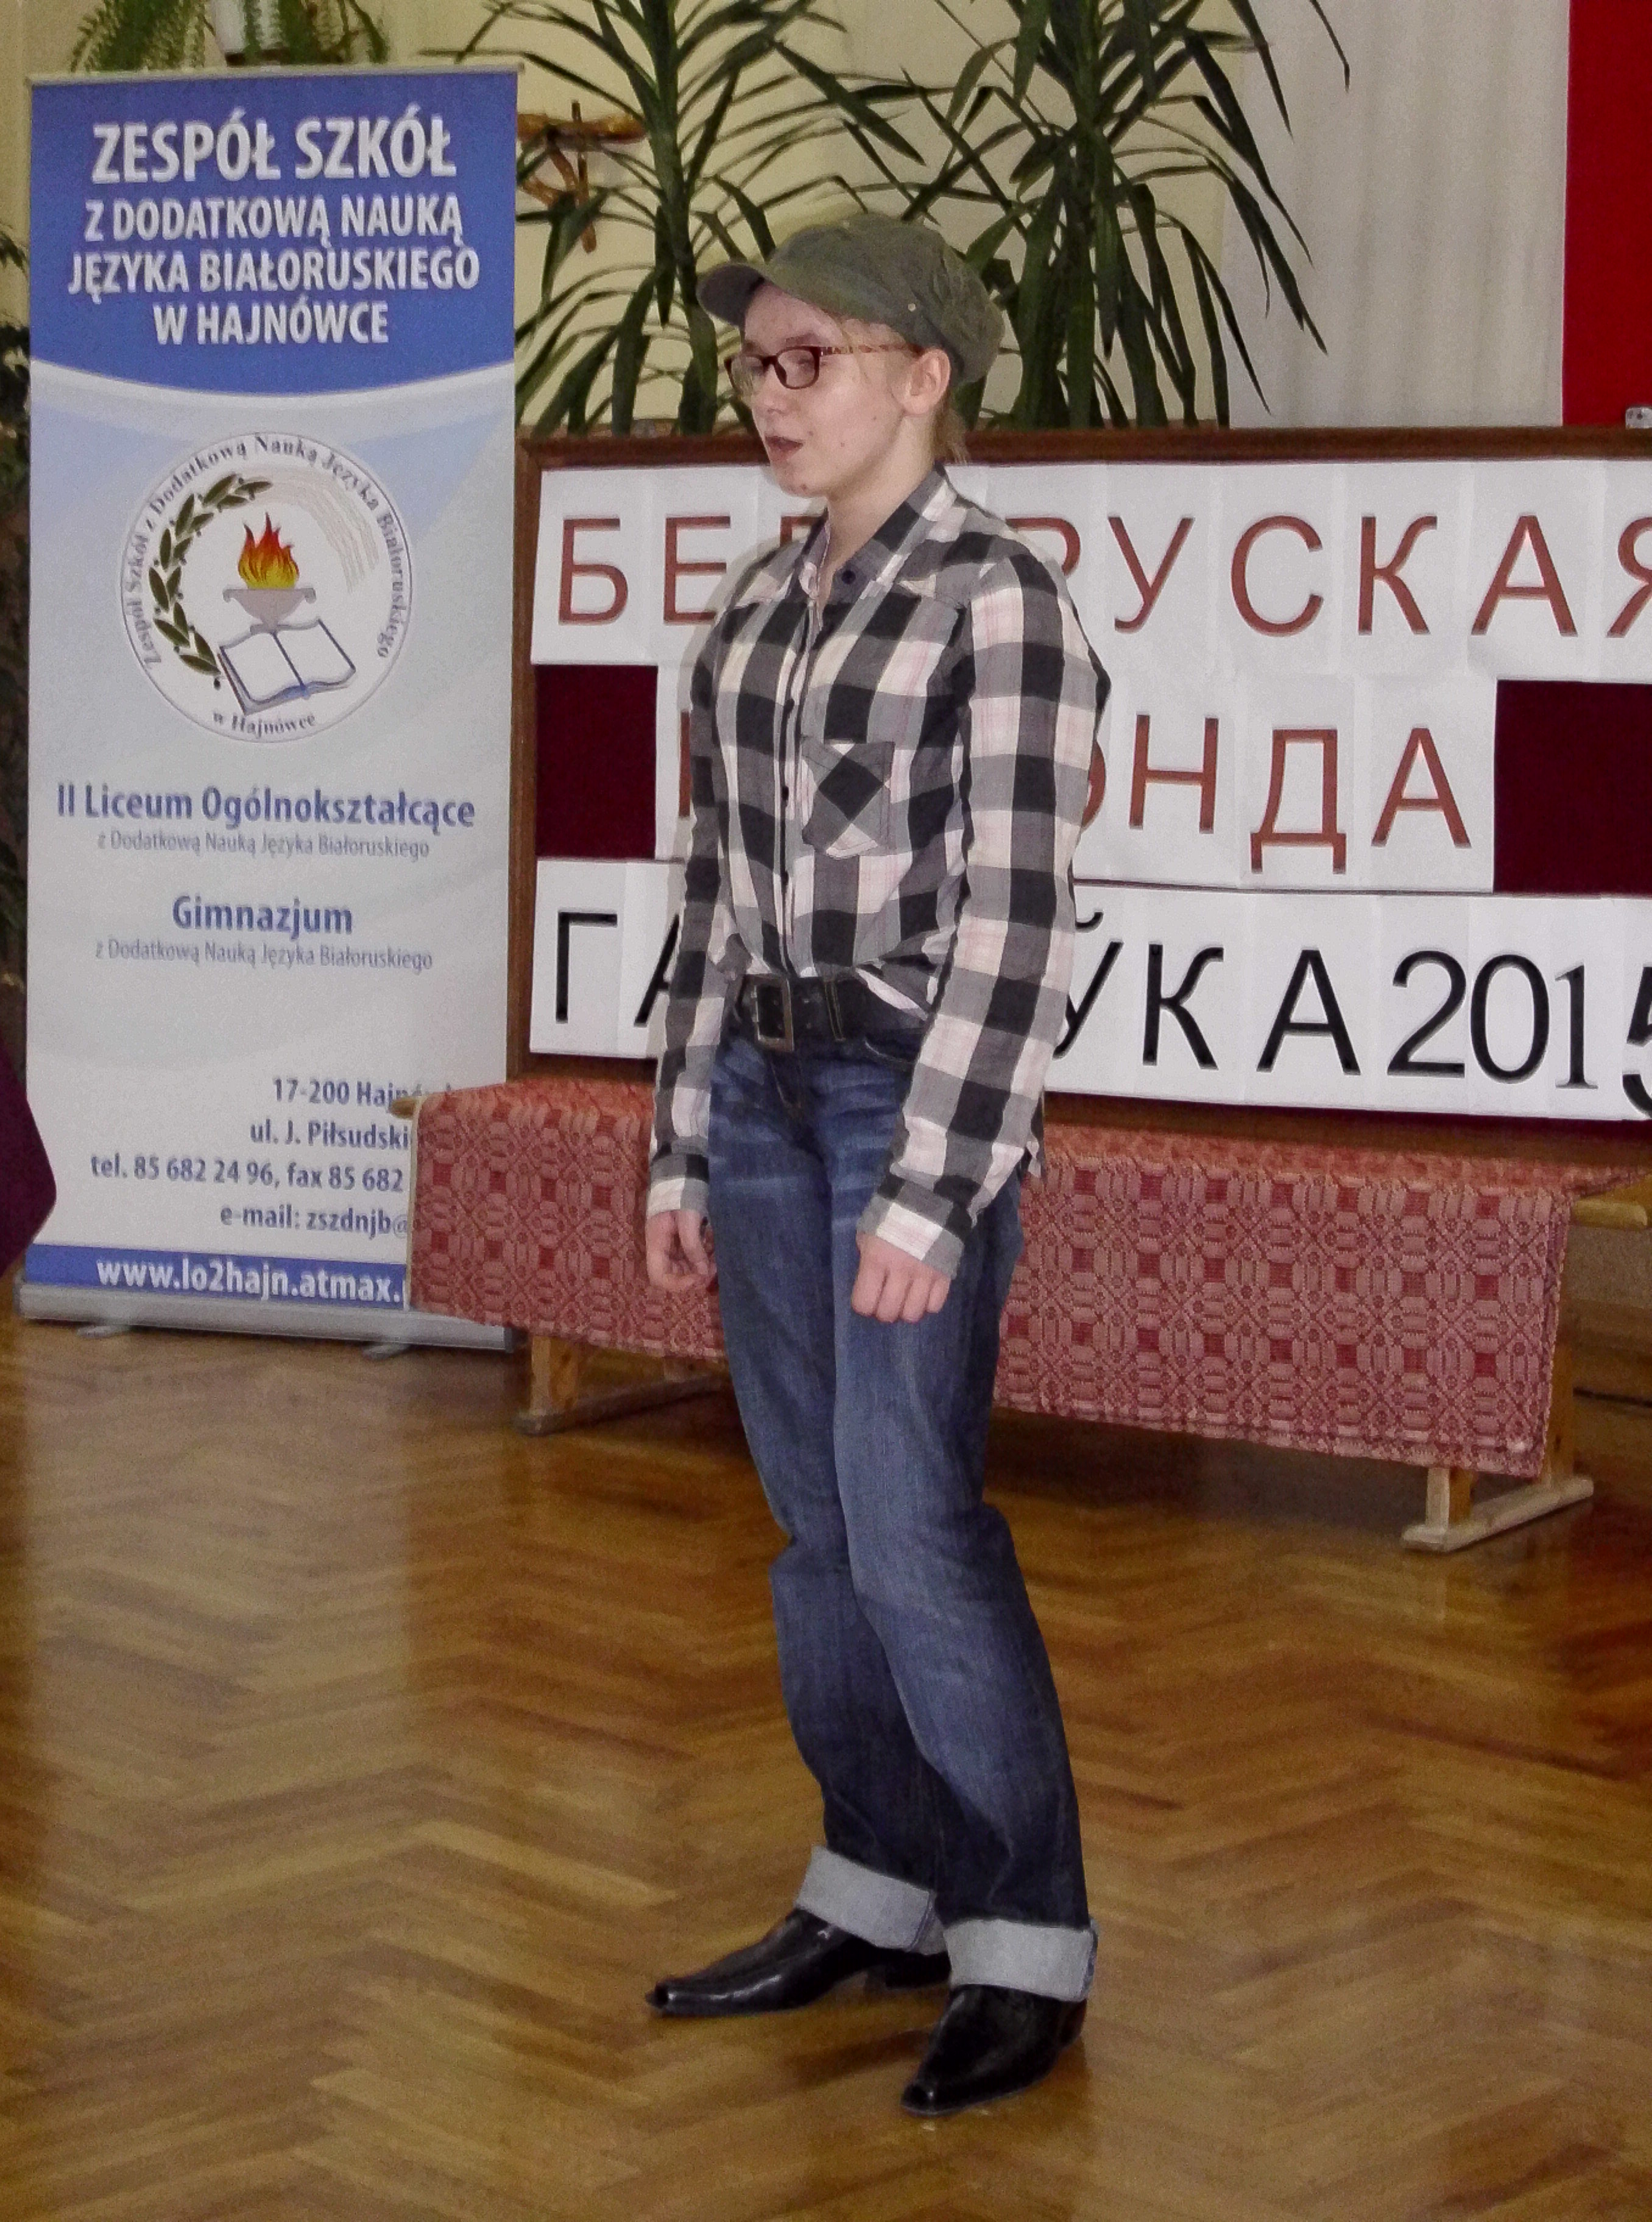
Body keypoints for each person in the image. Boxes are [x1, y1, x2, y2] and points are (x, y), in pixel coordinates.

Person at [644, 211, 1108, 2118]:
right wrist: (681, 1144)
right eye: (756, 363)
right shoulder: (753, 614)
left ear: (923, 379)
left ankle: (1027, 1937)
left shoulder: (1000, 605)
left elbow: (1014, 927)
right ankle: (880, 1883)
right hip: (761, 1099)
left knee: (910, 1527)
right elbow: (713, 900)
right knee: (817, 1532)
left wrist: (933, 1186)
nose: (771, 394)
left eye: (807, 359)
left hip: (903, 1103)